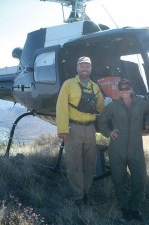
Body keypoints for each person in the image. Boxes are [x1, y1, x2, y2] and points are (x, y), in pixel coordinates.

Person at [98, 79, 149, 222]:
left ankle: (135, 207)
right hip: (117, 148)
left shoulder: (141, 103)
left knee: (140, 178)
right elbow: (102, 120)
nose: (124, 91)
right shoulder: (113, 106)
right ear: (118, 90)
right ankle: (124, 208)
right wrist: (108, 132)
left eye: (126, 88)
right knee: (119, 179)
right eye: (121, 89)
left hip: (136, 147)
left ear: (131, 89)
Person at [56, 56, 105, 207]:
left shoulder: (95, 87)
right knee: (74, 163)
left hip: (90, 129)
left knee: (90, 163)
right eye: (82, 66)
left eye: (87, 66)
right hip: (73, 129)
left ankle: (86, 191)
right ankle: (78, 196)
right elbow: (61, 107)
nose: (85, 68)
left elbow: (102, 107)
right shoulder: (68, 84)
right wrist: (63, 130)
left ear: (90, 69)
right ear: (77, 68)